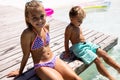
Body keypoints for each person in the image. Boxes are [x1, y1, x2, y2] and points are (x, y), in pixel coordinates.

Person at [7, 1, 82, 80]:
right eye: (34, 18)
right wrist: (20, 71)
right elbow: (26, 55)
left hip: (54, 59)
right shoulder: (27, 34)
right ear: (28, 19)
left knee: (76, 78)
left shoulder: (46, 26)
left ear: (46, 15)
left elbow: (46, 46)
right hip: (41, 65)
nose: (39, 21)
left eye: (42, 16)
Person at [64, 6, 120, 80]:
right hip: (78, 48)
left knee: (104, 54)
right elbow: (66, 40)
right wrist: (67, 51)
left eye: (82, 20)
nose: (81, 22)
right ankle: (111, 78)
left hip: (86, 44)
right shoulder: (69, 28)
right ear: (71, 19)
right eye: (79, 20)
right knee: (97, 60)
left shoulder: (77, 25)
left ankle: (118, 68)